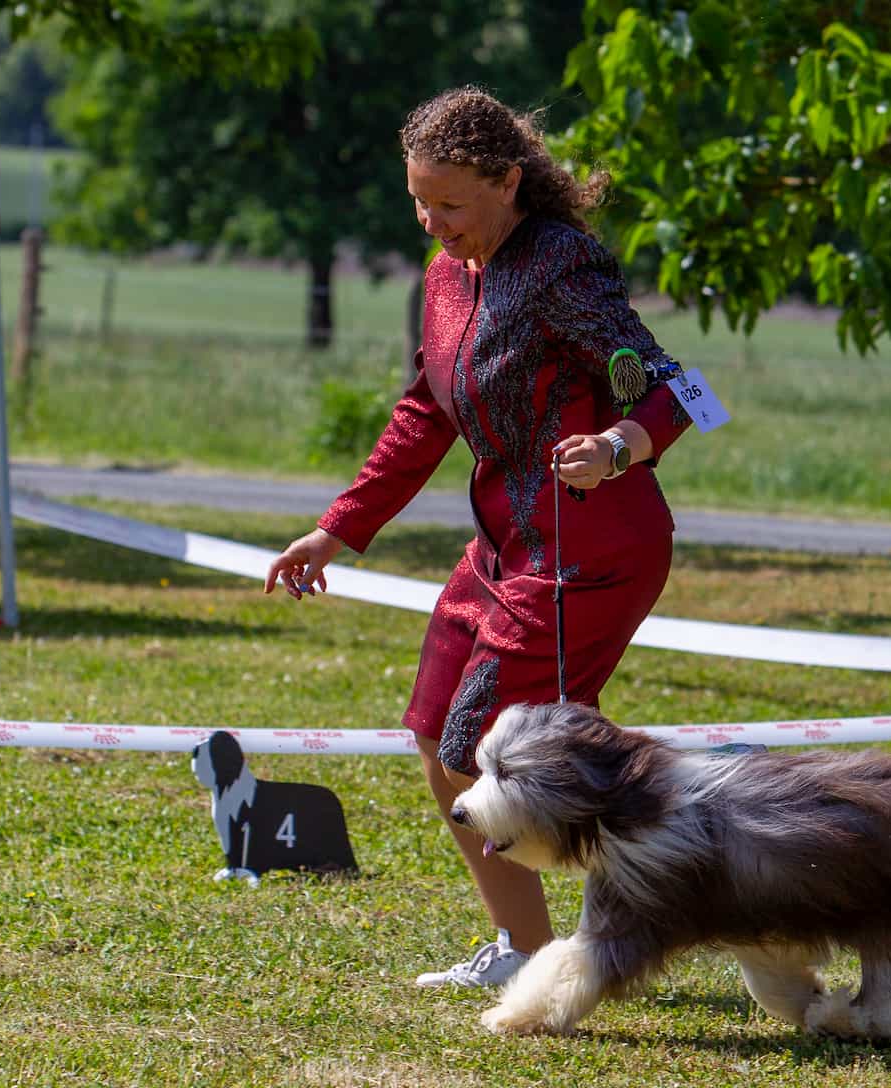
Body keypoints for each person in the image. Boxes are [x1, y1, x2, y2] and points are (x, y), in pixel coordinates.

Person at [264, 87, 692, 988]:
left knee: (480, 753)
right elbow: (424, 413)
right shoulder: (446, 276)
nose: (433, 221)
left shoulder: (562, 266)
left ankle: (675, 875)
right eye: (419, 201)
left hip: (588, 552)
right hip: (504, 550)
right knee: (434, 735)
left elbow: (675, 387)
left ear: (508, 182)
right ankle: (525, 950)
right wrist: (334, 531)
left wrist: (617, 446)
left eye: (451, 203)